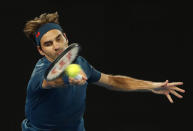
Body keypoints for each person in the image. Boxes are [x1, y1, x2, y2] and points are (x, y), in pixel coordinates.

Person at [22, 12, 185, 131]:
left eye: (58, 38)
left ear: (66, 38)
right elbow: (49, 81)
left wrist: (152, 86)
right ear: (41, 50)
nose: (56, 46)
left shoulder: (81, 63)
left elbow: (113, 81)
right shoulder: (40, 72)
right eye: (48, 44)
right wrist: (67, 80)